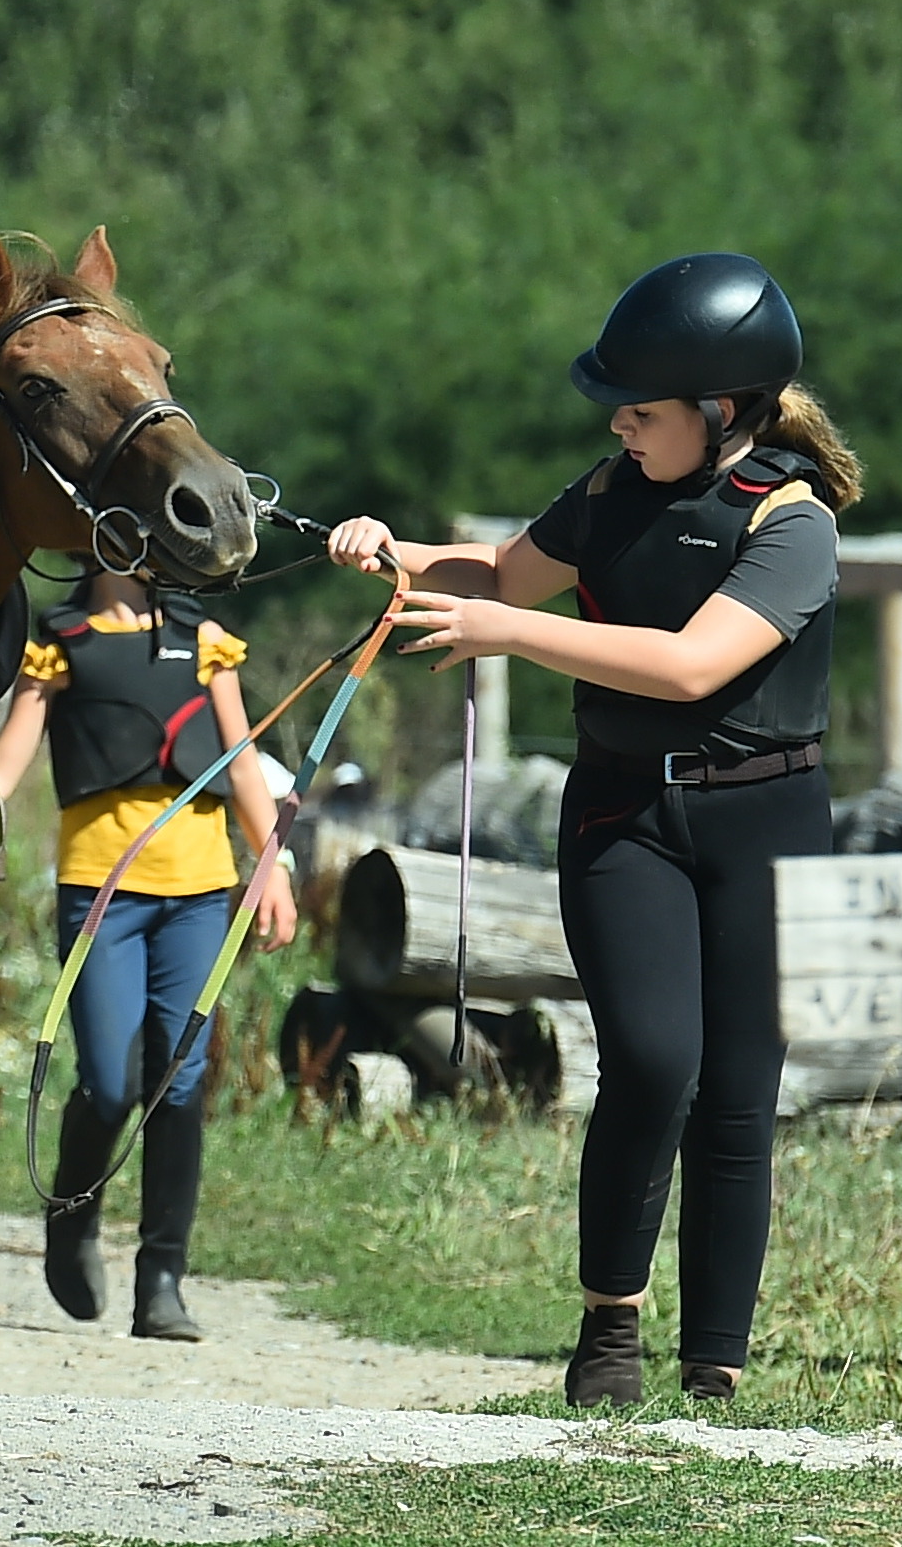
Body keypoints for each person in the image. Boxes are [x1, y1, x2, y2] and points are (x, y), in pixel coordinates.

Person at [326, 252, 854, 1410]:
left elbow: (690, 664)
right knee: (652, 1061)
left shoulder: (791, 522)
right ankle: (608, 1326)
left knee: (737, 1091)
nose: (617, 423)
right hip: (623, 814)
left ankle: (712, 1366)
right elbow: (500, 573)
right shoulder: (610, 490)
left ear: (720, 410)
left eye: (640, 409)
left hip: (764, 825)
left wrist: (511, 635)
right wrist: (388, 550)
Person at [0, 567, 293, 1342]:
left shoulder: (205, 642)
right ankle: (70, 1215)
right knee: (108, 1083)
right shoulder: (60, 645)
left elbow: (241, 760)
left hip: (199, 895)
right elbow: (1, 772)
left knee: (177, 1083)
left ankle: (161, 1282)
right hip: (101, 897)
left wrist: (273, 865)